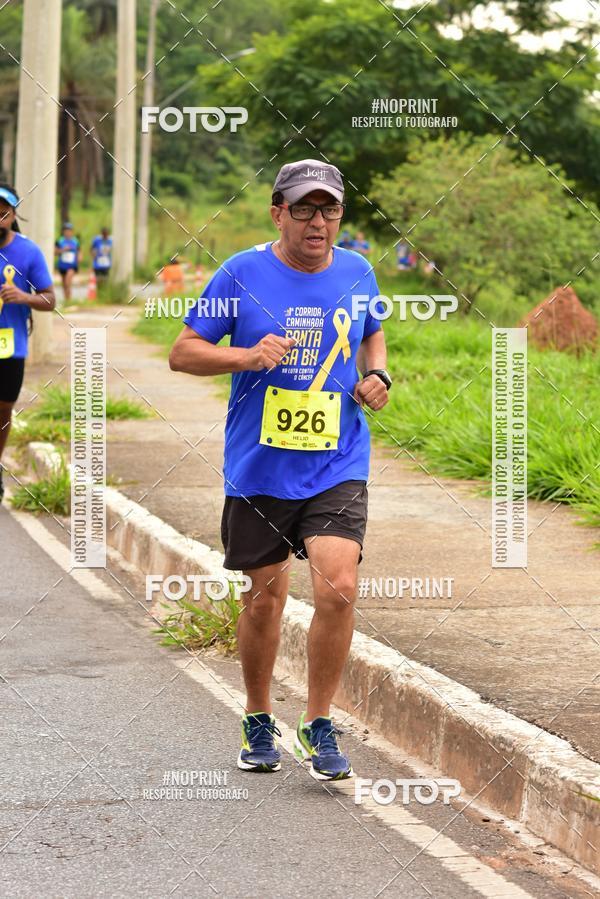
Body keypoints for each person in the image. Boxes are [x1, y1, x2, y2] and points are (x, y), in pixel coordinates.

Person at [169, 159, 392, 781]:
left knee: (337, 587)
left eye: (329, 210)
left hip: (337, 461)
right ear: (278, 213)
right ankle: (259, 715)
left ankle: (318, 721)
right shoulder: (241, 273)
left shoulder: (357, 270)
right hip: (260, 469)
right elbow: (182, 353)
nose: (318, 221)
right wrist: (246, 354)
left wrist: (378, 375)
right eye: (304, 209)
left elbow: (372, 334)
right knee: (266, 601)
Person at [0, 184, 55, 502]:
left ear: (13, 215)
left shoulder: (28, 252)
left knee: (3, 409)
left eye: (3, 212)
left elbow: (50, 299)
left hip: (10, 345)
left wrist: (23, 297)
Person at [55, 221, 81, 301]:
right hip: (62, 265)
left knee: (67, 281)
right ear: (63, 232)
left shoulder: (75, 241)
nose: (67, 232)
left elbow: (79, 251)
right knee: (64, 284)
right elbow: (55, 252)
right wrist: (63, 250)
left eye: (69, 230)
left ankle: (69, 298)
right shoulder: (60, 241)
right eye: (66, 230)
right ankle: (67, 299)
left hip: (72, 265)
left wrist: (79, 258)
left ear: (72, 231)